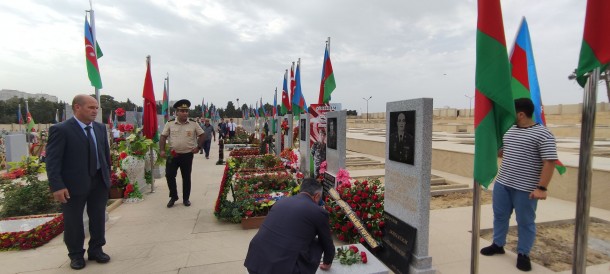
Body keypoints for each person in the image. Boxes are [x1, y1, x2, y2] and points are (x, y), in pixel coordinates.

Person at [480, 98, 558, 272]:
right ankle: (498, 244)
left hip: (525, 188)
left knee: (525, 222)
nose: (509, 117)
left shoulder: (543, 134)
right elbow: (507, 151)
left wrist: (542, 188)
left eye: (512, 113)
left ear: (521, 114)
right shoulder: (511, 130)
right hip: (503, 183)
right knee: (499, 216)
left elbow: (549, 162)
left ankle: (523, 254)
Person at [45, 94, 112, 270]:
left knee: (98, 218)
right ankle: (75, 254)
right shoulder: (61, 129)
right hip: (73, 185)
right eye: (91, 107)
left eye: (96, 108)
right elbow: (52, 161)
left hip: (98, 181)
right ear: (77, 107)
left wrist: (107, 176)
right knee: (73, 221)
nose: (95, 111)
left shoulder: (99, 128)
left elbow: (105, 156)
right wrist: (57, 186)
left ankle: (96, 249)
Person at [244, 178, 335, 274]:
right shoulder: (319, 212)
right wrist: (327, 262)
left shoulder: (281, 202)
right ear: (317, 196)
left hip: (254, 263)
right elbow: (327, 242)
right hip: (283, 270)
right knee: (318, 242)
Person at [159, 99, 205, 208]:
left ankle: (186, 199)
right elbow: (163, 136)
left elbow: (202, 135)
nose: (185, 113)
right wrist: (162, 150)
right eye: (182, 111)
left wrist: (198, 147)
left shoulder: (193, 123)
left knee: (186, 177)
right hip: (173, 155)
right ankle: (174, 196)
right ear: (177, 112)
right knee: (169, 175)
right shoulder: (170, 123)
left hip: (187, 155)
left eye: (186, 111)